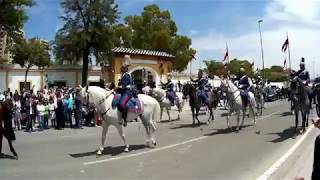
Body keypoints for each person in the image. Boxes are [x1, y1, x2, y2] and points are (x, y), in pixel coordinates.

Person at [118, 57, 134, 127]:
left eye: (122, 67)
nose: (121, 68)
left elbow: (123, 85)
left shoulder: (127, 75)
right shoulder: (123, 75)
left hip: (127, 92)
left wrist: (117, 88)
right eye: (121, 67)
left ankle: (125, 119)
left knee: (121, 104)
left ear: (125, 69)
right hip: (122, 91)